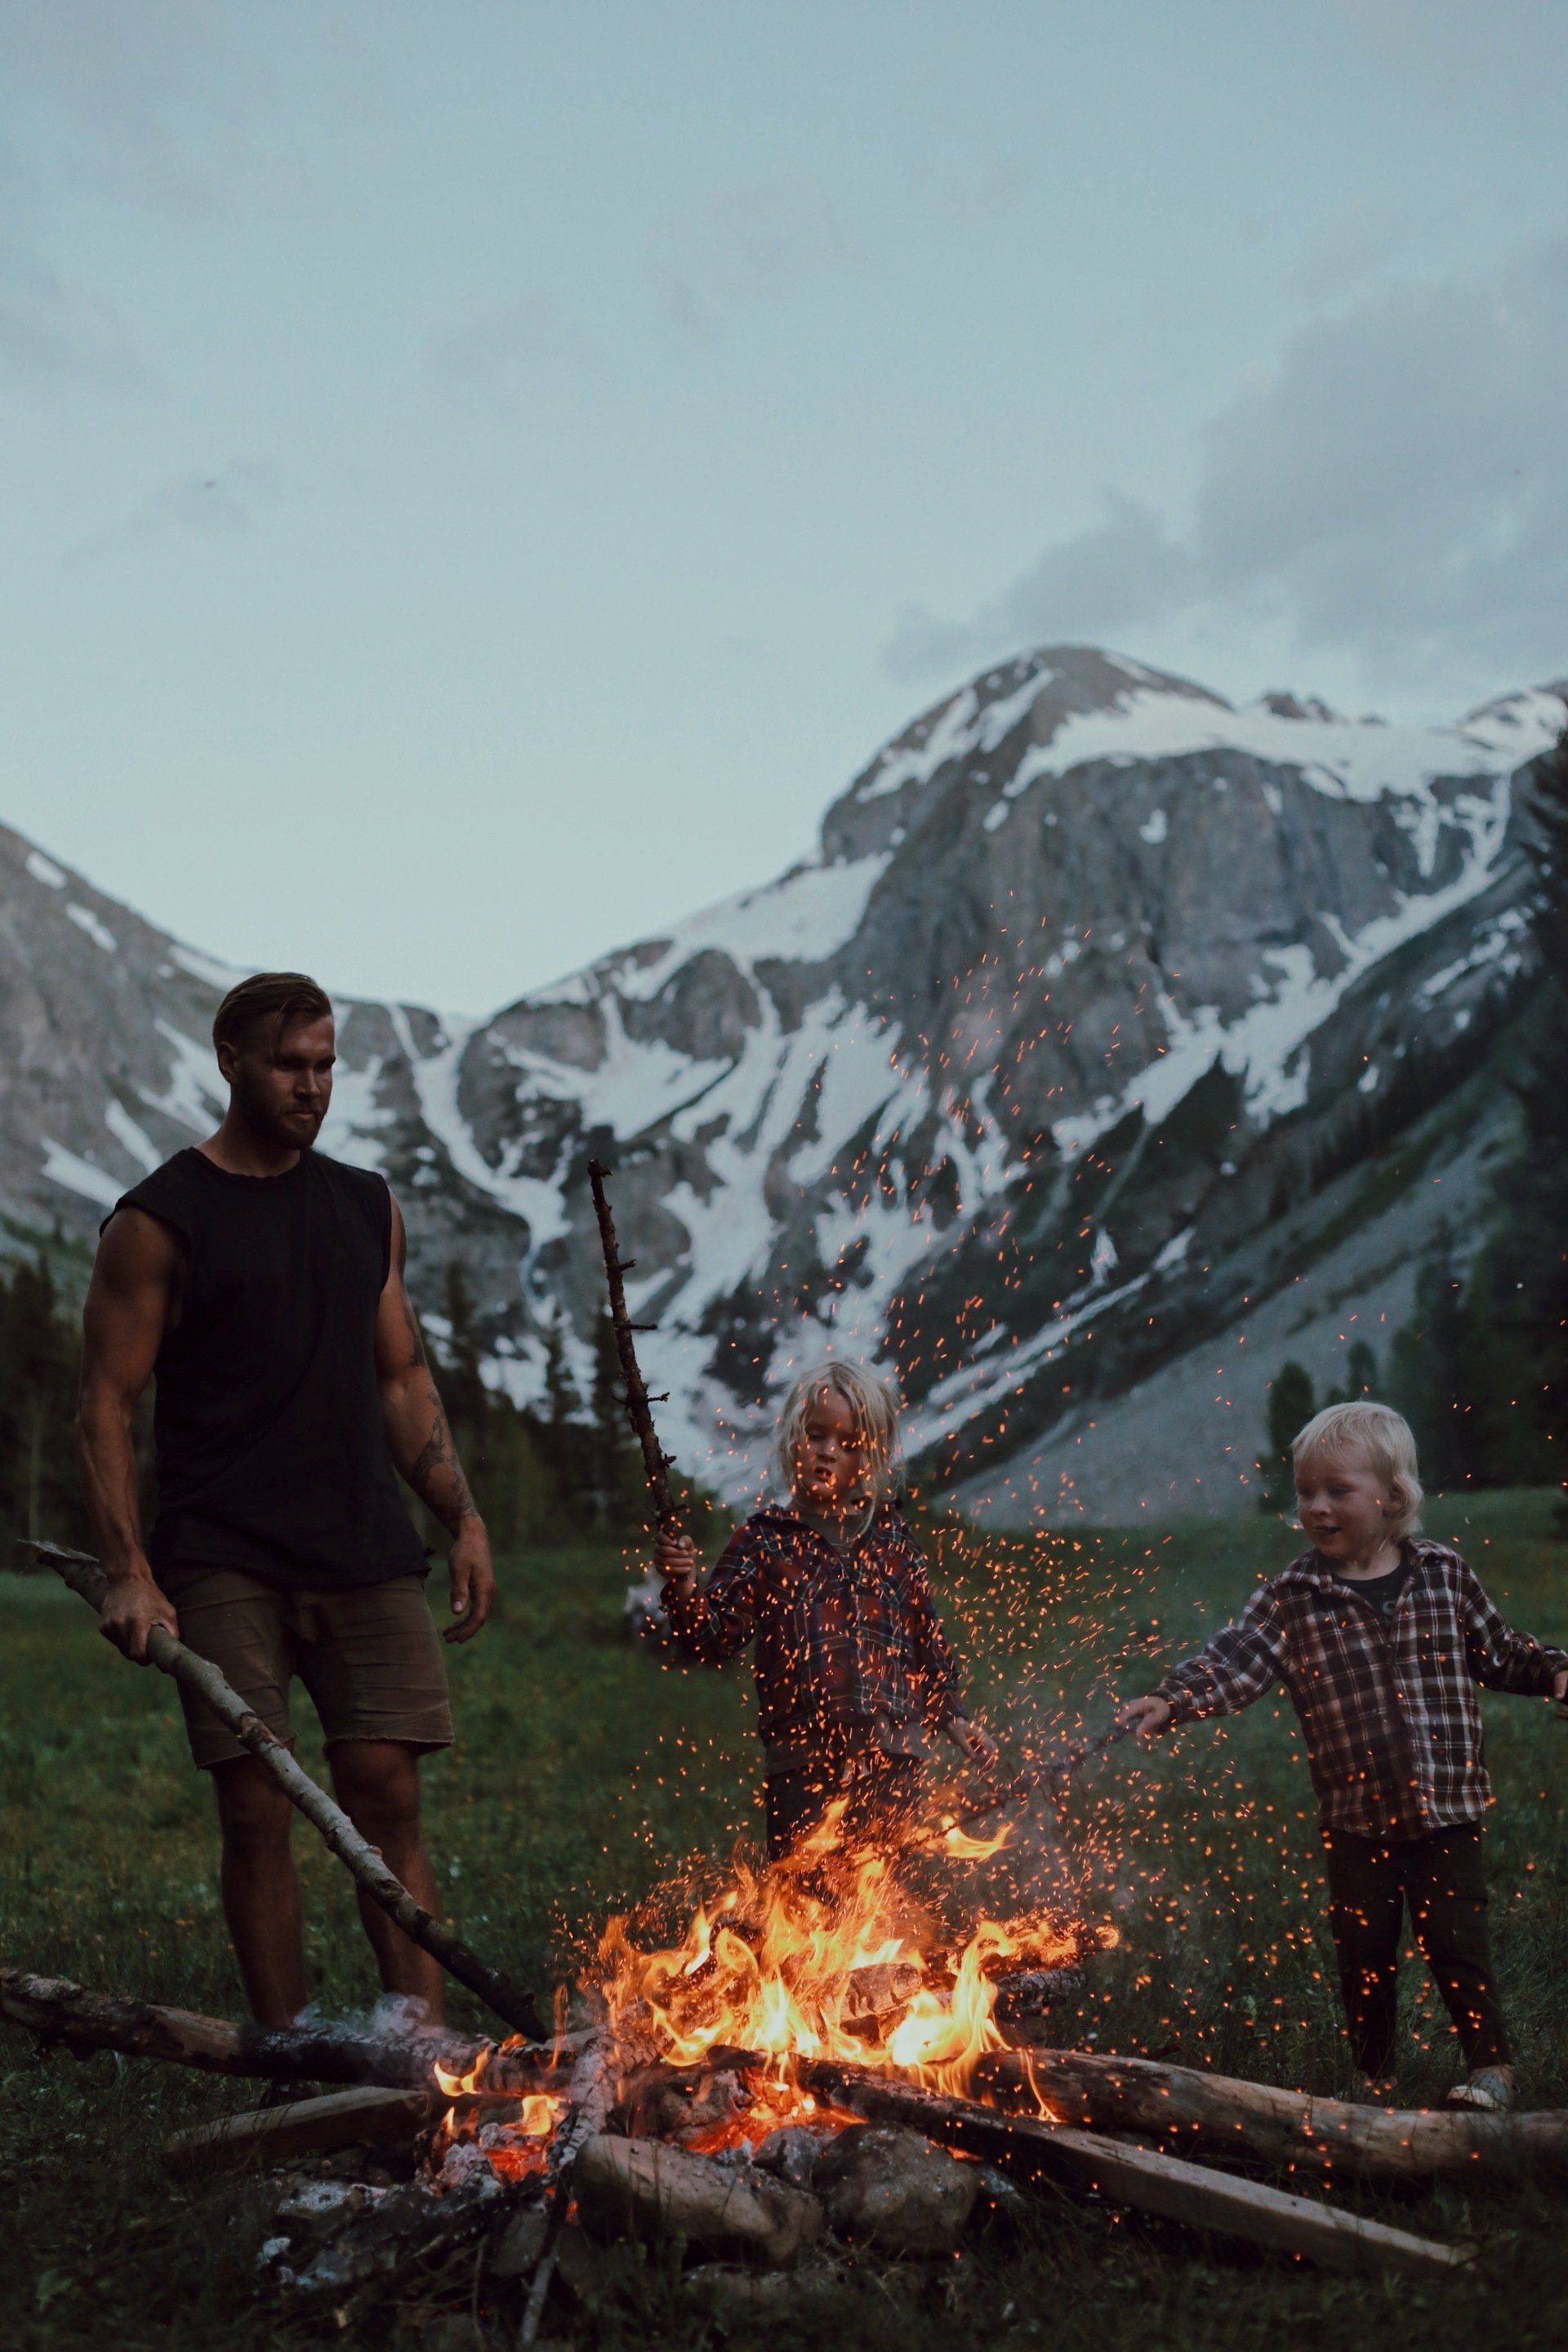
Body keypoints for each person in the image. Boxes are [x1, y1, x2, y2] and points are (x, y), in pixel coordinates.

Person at [78, 970, 495, 2029]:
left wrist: (463, 1516)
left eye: (325, 1066)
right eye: (289, 1065)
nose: (311, 1087)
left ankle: (422, 2060)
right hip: (223, 1556)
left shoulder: (364, 1204)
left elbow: (401, 1378)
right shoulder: (160, 1220)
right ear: (231, 1062)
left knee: (387, 1798)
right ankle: (286, 2060)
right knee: (257, 1809)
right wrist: (129, 1569)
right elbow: (106, 1405)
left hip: (363, 1545)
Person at [1120, 1400, 1568, 2111]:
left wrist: (1553, 1672)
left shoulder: (1444, 1575)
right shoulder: (1292, 1598)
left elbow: (1500, 1651)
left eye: (1337, 1491)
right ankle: (1373, 2076)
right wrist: (1175, 1700)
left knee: (1457, 1942)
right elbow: (1237, 1661)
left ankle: (1491, 2071)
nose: (1317, 1508)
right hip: (1357, 1820)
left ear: (1392, 1495)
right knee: (1364, 1955)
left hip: (1447, 1810)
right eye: (1305, 1493)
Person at [654, 1361, 997, 1858]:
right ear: (793, 1436)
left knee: (882, 1910)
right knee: (805, 1910)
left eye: (848, 1444)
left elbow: (927, 1641)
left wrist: (953, 1717)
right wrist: (685, 1586)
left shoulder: (893, 1539)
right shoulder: (764, 1541)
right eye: (816, 1435)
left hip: (893, 1757)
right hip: (801, 1762)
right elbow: (710, 1639)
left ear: (870, 1457)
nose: (827, 1451)